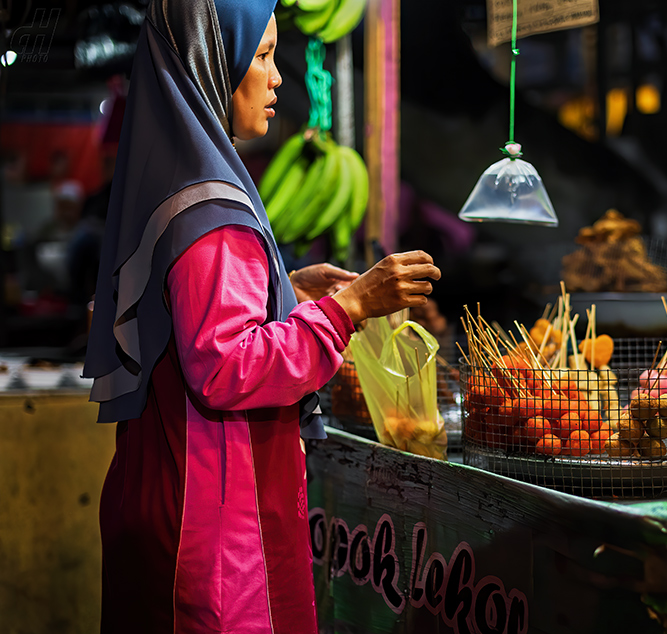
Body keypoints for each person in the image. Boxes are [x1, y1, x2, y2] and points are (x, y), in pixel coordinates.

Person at [82, 2, 441, 633]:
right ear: (213, 65)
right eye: (264, 55)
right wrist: (349, 307)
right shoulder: (212, 215)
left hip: (158, 489)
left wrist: (284, 292)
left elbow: (187, 313)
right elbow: (226, 366)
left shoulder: (174, 186)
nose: (279, 78)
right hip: (215, 528)